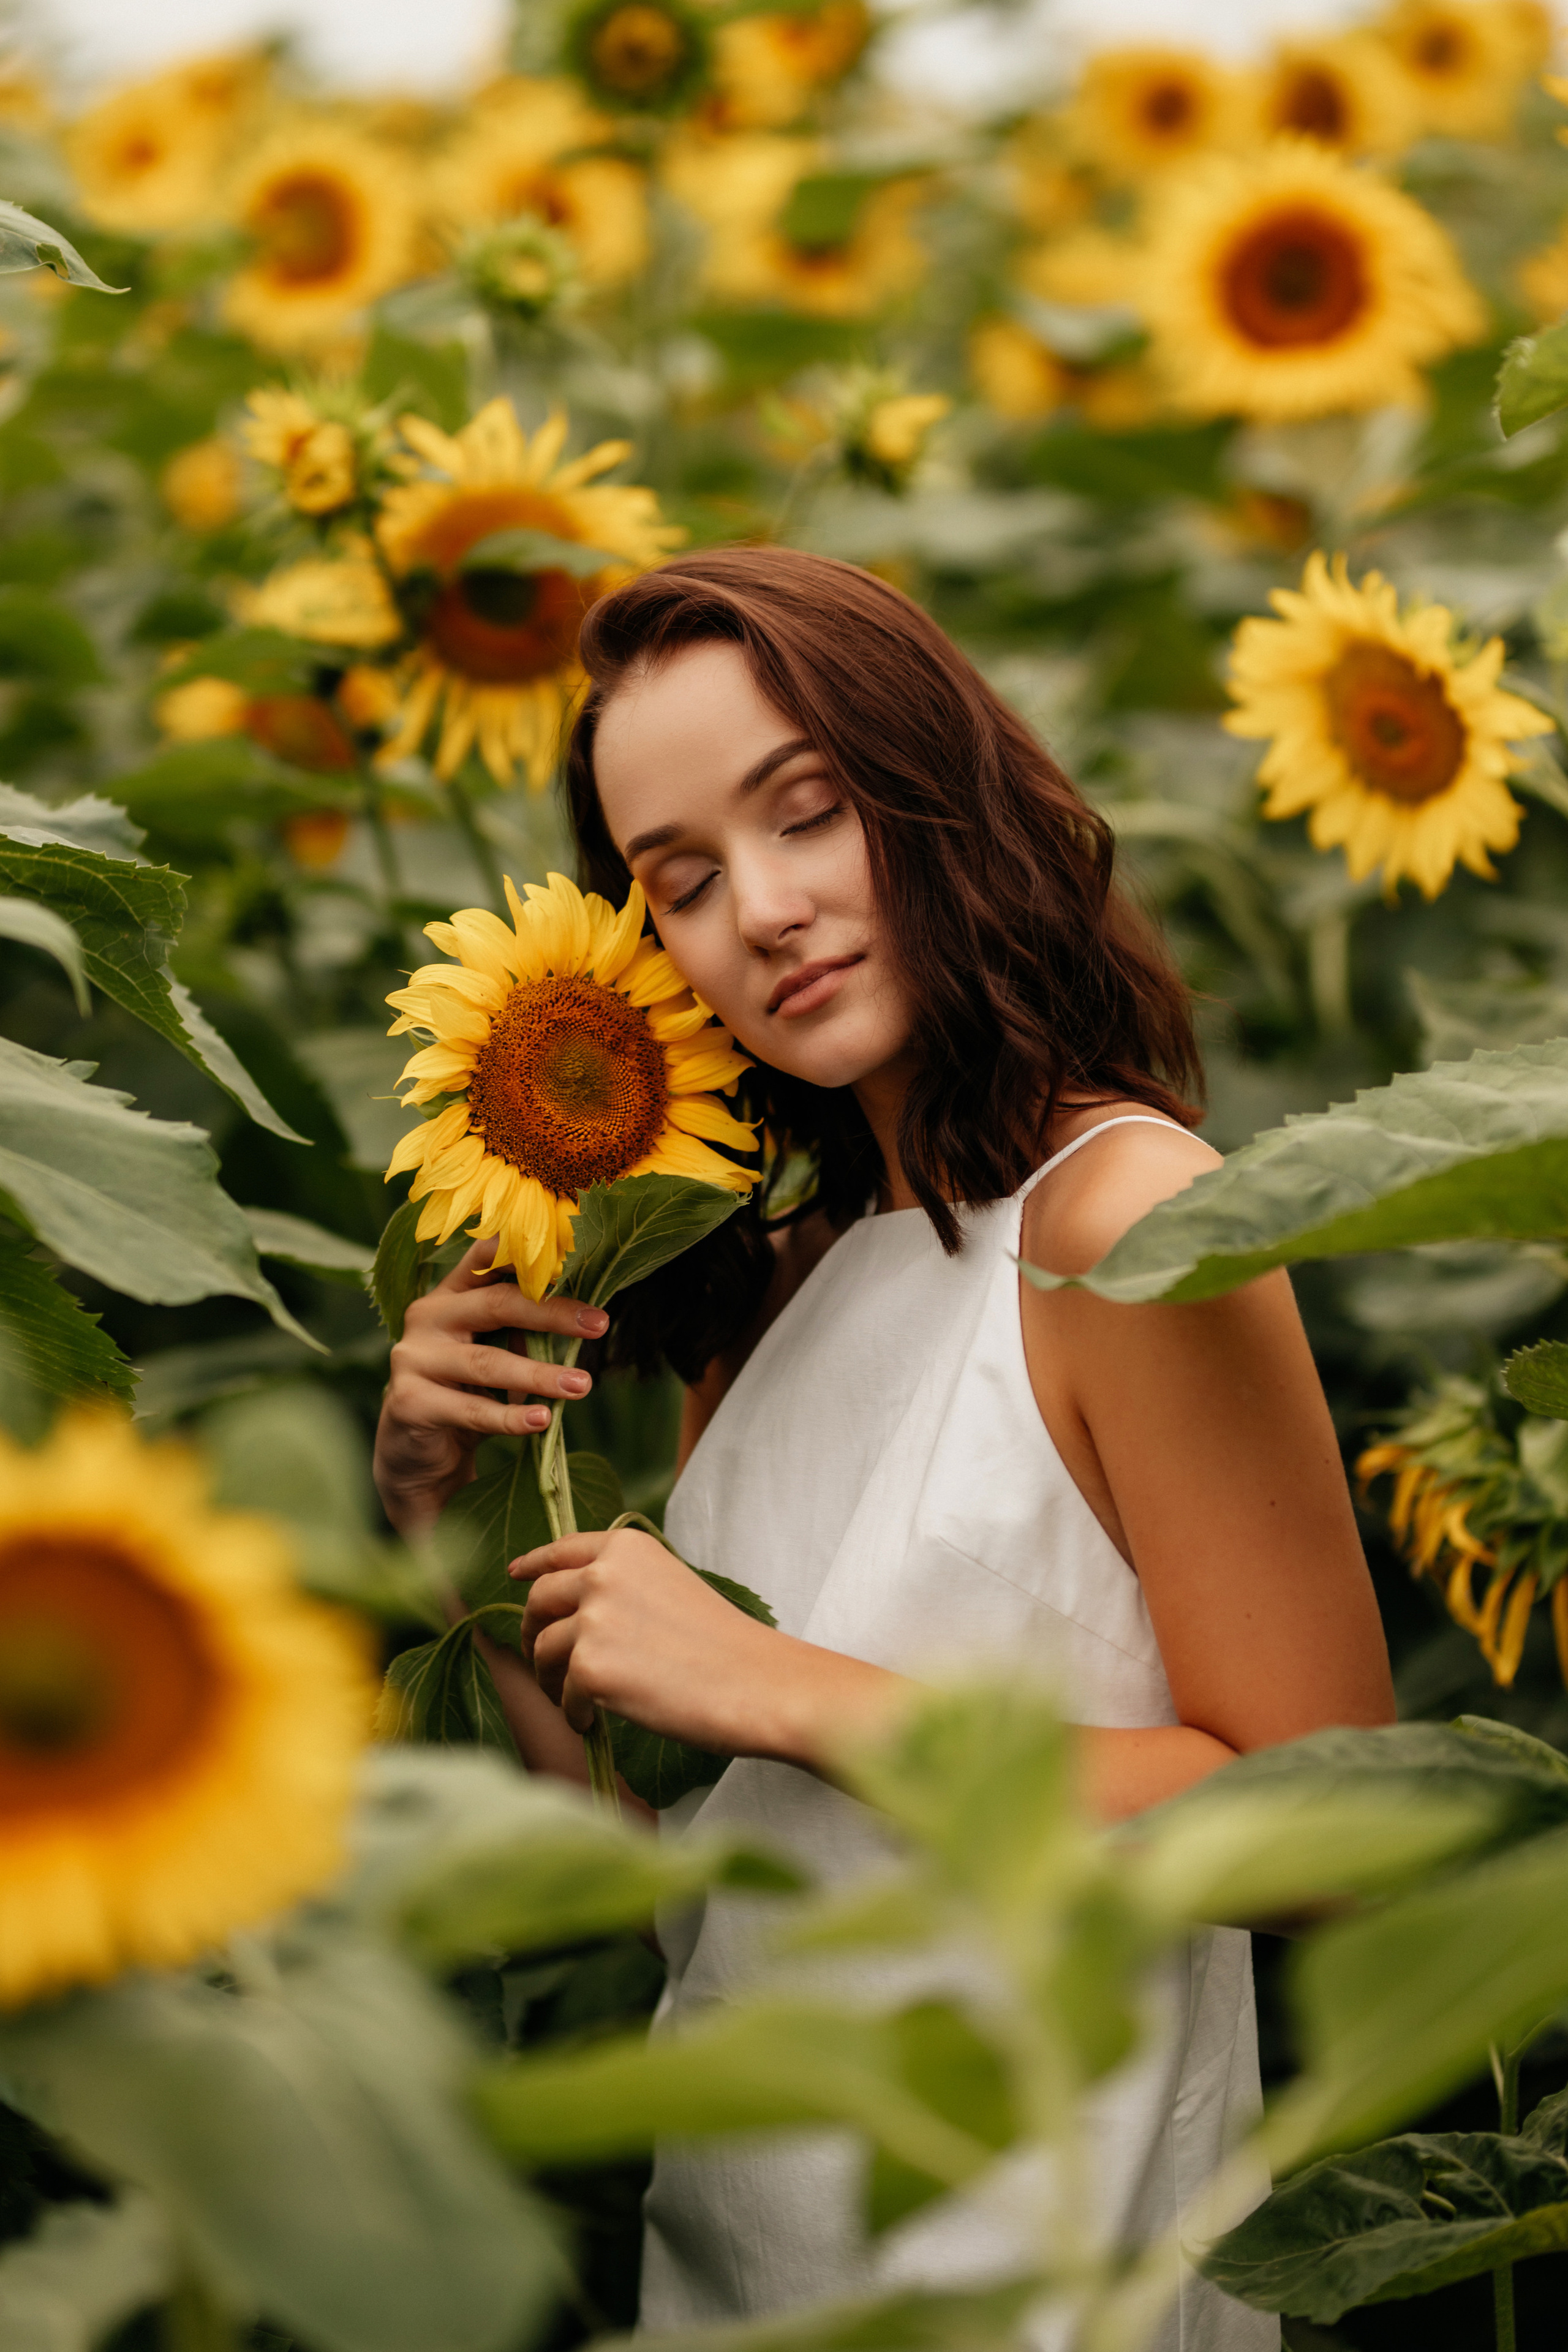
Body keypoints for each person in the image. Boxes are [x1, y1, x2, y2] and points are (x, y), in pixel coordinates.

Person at [373, 546, 1392, 2346]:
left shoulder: (1128, 1221)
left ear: (936, 789)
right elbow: (668, 1862)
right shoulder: (775, 1282)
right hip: (745, 2275)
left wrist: (779, 1685)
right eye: (678, 882)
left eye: (809, 812)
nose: (759, 912)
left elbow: (1328, 1827)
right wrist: (440, 1521)